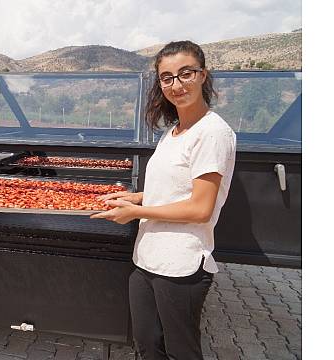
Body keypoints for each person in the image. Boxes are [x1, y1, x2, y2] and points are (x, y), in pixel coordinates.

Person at [91, 40, 236, 360]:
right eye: (167, 77)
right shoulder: (173, 132)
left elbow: (200, 208)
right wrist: (135, 196)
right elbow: (176, 187)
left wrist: (136, 211)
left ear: (203, 76)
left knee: (180, 352)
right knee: (147, 347)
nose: (177, 84)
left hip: (181, 265)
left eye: (186, 73)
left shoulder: (211, 133)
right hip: (147, 259)